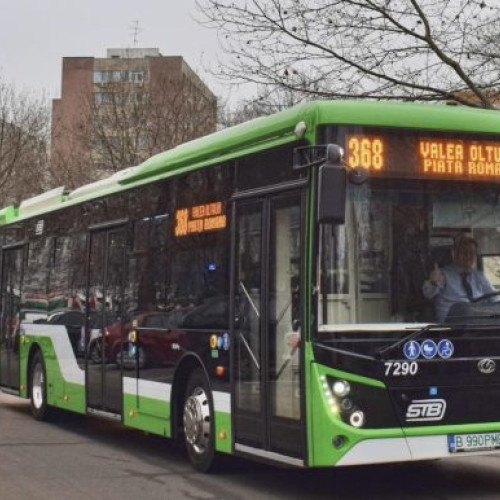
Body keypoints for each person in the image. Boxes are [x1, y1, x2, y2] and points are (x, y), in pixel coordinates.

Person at [423, 235, 496, 322]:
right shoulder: (443, 274)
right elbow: (428, 294)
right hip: (452, 327)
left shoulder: (479, 276)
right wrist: (433, 282)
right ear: (454, 254)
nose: (468, 256)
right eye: (464, 252)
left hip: (478, 323)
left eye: (472, 253)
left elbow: (494, 297)